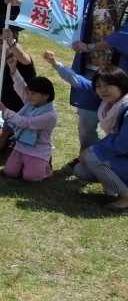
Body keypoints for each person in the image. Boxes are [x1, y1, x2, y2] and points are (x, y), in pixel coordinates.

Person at [45, 53, 128, 212]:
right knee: (81, 170)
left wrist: (92, 148)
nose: (102, 90)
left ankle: (125, 197)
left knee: (93, 159)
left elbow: (122, 143)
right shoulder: (107, 102)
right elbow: (79, 82)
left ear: (122, 85)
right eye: (99, 86)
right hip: (121, 157)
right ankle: (115, 188)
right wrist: (55, 64)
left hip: (123, 154)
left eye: (108, 85)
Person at [67, 0, 128, 153]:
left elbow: (123, 36)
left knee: (119, 121)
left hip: (120, 72)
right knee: (86, 119)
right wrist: (20, 1)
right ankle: (87, 155)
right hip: (90, 67)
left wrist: (90, 47)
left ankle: (111, 160)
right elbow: (66, 2)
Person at [0, 68, 57, 183]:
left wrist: (6, 110)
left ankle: (45, 167)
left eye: (33, 94)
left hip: (38, 149)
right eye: (28, 93)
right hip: (21, 145)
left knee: (31, 178)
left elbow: (27, 123)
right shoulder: (30, 103)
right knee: (9, 172)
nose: (29, 96)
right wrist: (13, 70)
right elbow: (20, 86)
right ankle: (28, 166)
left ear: (46, 95)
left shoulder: (50, 115)